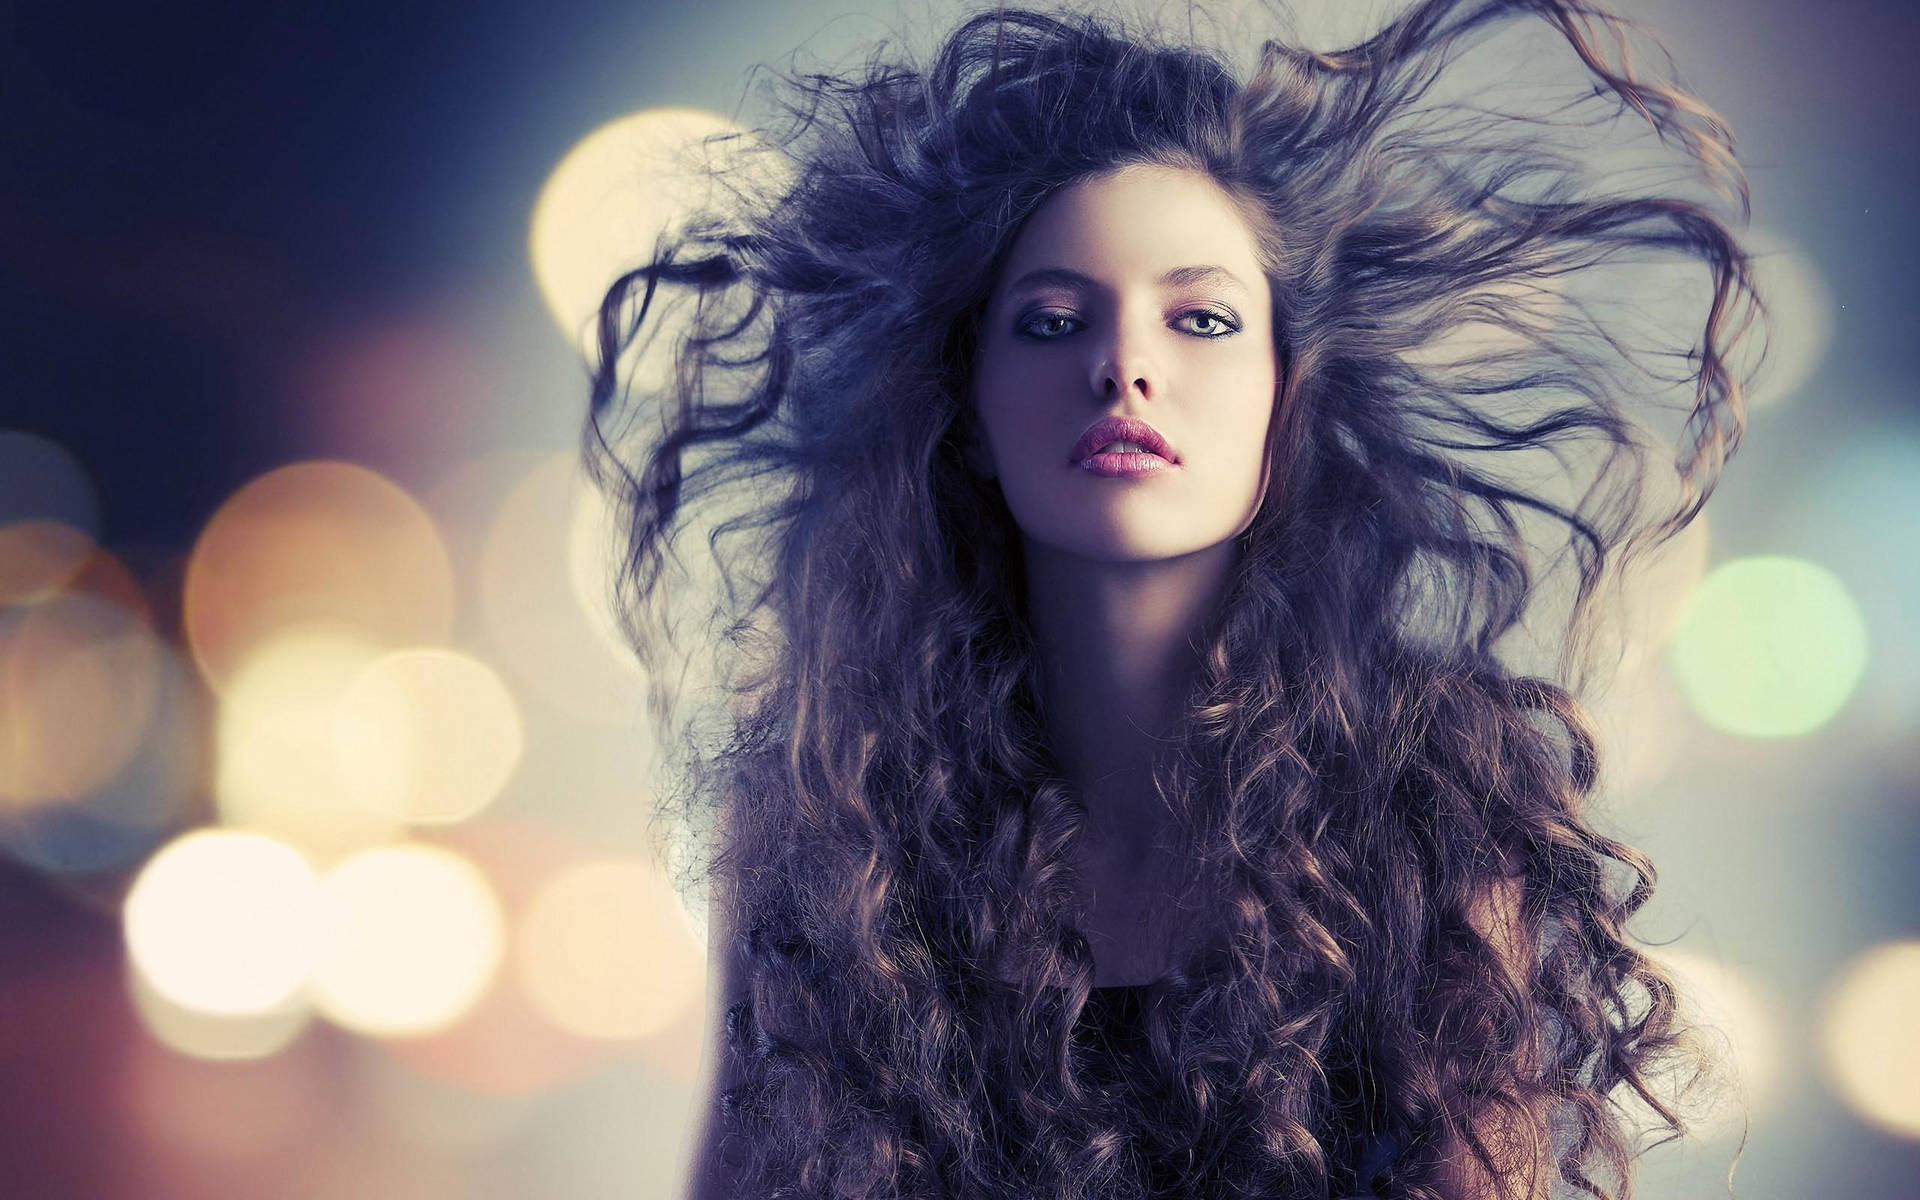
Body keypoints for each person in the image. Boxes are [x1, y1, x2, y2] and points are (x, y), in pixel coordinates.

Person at [580, 1, 1765, 1196]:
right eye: (1052, 321)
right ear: (971, 410)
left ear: (1284, 404)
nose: (1124, 366)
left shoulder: (1430, 798)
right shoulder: (827, 818)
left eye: (1200, 319)